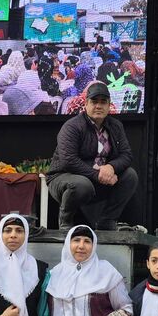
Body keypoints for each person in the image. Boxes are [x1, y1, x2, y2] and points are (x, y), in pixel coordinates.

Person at [47, 82, 138, 230]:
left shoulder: (116, 126)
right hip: (63, 177)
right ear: (86, 104)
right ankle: (65, 221)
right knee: (82, 185)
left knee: (130, 176)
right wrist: (98, 175)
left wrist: (111, 167)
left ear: (109, 105)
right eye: (94, 101)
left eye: (103, 102)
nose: (98, 106)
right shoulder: (72, 126)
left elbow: (126, 154)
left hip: (97, 179)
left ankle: (106, 221)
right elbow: (68, 160)